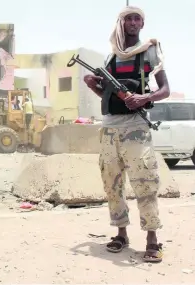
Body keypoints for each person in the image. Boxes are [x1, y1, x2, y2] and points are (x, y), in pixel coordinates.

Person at [83, 6, 170, 263]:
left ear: (142, 24)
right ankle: (121, 234)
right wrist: (94, 87)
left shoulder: (149, 52)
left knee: (144, 182)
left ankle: (152, 239)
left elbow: (165, 89)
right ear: (120, 24)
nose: (132, 23)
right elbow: (109, 97)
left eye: (137, 19)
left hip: (136, 127)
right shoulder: (111, 58)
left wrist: (145, 97)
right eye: (127, 19)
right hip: (110, 128)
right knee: (112, 184)